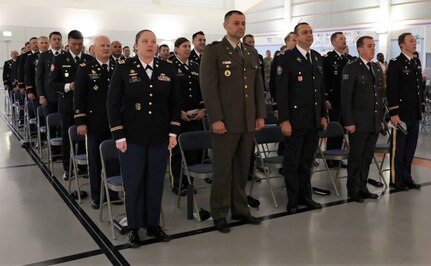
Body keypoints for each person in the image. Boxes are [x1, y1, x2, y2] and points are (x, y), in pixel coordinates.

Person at [107, 29, 181, 247]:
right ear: (136, 45)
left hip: (159, 137)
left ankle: (152, 225)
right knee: (134, 183)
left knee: (156, 182)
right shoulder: (124, 69)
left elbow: (174, 103)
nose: (150, 45)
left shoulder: (167, 68)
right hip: (132, 138)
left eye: (154, 42)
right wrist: (118, 135)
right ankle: (134, 227)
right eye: (145, 41)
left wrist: (173, 132)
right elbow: (112, 104)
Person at [200, 10, 266, 233]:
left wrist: (260, 115)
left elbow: (258, 87)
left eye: (243, 23)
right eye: (236, 23)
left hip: (247, 121)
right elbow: (209, 89)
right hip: (225, 123)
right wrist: (215, 118)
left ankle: (240, 209)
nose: (241, 27)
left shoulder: (250, 52)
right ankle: (219, 212)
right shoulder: (215, 51)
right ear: (225, 25)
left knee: (241, 167)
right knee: (223, 169)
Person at [276, 22, 327, 214]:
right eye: (305, 32)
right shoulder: (287, 58)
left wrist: (323, 114)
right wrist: (285, 120)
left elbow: (320, 91)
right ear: (296, 37)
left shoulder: (316, 57)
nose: (309, 35)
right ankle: (293, 200)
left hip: (313, 120)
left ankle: (306, 197)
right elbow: (282, 93)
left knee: (307, 161)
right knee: (292, 162)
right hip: (295, 120)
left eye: (311, 32)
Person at [74, 35, 119, 209]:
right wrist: (80, 121)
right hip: (94, 123)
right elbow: (79, 98)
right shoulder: (85, 68)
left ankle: (113, 194)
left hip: (115, 123)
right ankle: (97, 196)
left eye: (109, 45)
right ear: (94, 48)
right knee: (95, 161)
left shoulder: (118, 67)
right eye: (103, 45)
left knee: (114, 159)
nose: (106, 48)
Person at [341, 36, 383, 202]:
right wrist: (349, 121)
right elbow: (346, 98)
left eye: (373, 46)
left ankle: (363, 187)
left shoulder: (375, 67)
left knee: (367, 158)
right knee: (356, 158)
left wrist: (379, 118)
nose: (373, 49)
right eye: (369, 46)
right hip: (358, 123)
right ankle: (353, 190)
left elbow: (379, 96)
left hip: (373, 122)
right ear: (359, 49)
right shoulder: (351, 68)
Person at [50, 30, 93, 180]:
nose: (77, 47)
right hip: (67, 104)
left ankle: (82, 166)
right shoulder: (60, 59)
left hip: (85, 106)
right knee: (67, 137)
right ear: (68, 44)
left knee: (84, 136)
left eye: (80, 44)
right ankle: (68, 168)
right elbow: (53, 83)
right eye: (74, 44)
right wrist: (68, 86)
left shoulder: (88, 59)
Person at [386, 33, 425, 191]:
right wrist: (394, 112)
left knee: (410, 148)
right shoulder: (396, 63)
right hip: (400, 114)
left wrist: (420, 107)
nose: (414, 43)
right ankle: (396, 179)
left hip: (413, 113)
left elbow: (418, 89)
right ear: (402, 45)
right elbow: (392, 90)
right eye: (411, 41)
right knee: (398, 148)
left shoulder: (416, 61)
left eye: (415, 41)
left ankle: (407, 177)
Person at [170, 37, 205, 195]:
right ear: (176, 49)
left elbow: (202, 89)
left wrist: (203, 109)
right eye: (184, 46)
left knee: (192, 151)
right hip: (179, 116)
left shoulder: (196, 66)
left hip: (195, 114)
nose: (188, 49)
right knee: (177, 151)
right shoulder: (169, 66)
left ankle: (189, 182)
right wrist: (178, 112)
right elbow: (168, 94)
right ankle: (177, 183)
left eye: (189, 46)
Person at [322, 32, 351, 168]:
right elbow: (324, 81)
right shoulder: (328, 58)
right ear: (333, 43)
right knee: (334, 129)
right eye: (341, 39)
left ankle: (338, 157)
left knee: (342, 130)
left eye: (345, 38)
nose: (344, 41)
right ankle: (330, 158)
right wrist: (325, 98)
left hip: (346, 101)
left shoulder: (348, 59)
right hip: (334, 100)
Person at [37, 31, 64, 115]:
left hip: (64, 95)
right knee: (51, 122)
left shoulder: (66, 55)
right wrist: (41, 95)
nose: (57, 41)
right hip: (49, 95)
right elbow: (39, 77)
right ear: (50, 41)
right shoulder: (43, 56)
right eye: (54, 39)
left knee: (65, 122)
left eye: (59, 39)